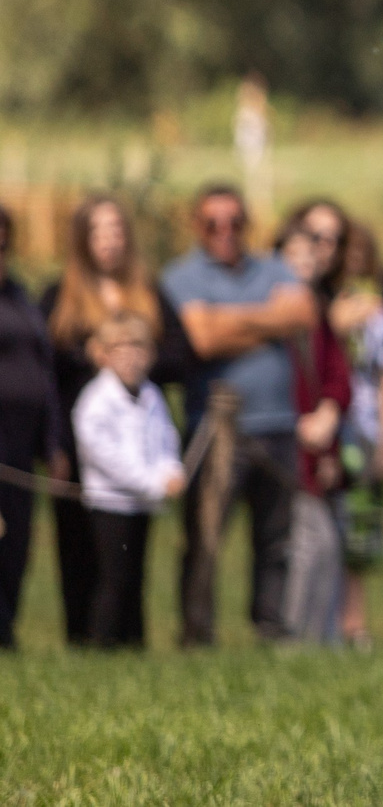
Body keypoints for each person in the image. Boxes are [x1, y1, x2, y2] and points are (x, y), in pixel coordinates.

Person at [162, 183, 317, 644]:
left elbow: (302, 314)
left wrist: (225, 318)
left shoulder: (274, 266)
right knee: (206, 536)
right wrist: (269, 321)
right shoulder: (181, 276)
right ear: (197, 226)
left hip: (279, 424)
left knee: (276, 537)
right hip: (215, 431)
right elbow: (202, 339)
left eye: (234, 221)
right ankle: (197, 632)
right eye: (213, 223)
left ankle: (270, 628)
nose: (224, 231)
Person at [40, 194, 194, 644]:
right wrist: (86, 360)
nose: (108, 240)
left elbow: (180, 355)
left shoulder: (148, 291)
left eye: (116, 230)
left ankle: (126, 639)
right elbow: (46, 367)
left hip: (135, 441)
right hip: (79, 440)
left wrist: (134, 363)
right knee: (78, 547)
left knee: (127, 561)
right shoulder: (59, 295)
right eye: (97, 231)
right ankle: (84, 639)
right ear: (82, 239)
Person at [70, 309, 187, 648]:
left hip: (142, 503)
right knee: (113, 577)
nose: (131, 357)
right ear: (103, 354)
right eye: (120, 348)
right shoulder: (95, 400)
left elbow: (165, 440)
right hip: (110, 502)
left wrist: (171, 471)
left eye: (138, 347)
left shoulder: (152, 395)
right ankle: (103, 643)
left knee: (137, 575)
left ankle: (134, 643)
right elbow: (106, 456)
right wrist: (152, 482)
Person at [324, 219, 383, 648]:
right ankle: (320, 622)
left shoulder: (378, 312)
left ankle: (354, 624)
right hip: (326, 426)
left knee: (358, 531)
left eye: (360, 253)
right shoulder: (318, 303)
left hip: (365, 428)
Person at [274, 218, 352, 644]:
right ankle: (292, 637)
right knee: (307, 544)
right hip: (288, 450)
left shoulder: (319, 311)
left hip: (320, 447)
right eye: (293, 256)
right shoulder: (273, 313)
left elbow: (338, 376)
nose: (304, 263)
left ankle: (322, 639)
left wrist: (328, 421)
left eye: (310, 255)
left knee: (325, 545)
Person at [0, 204, 58, 650]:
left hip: (21, 443)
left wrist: (52, 442)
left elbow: (43, 370)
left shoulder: (21, 296)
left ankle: (6, 630)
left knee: (16, 541)